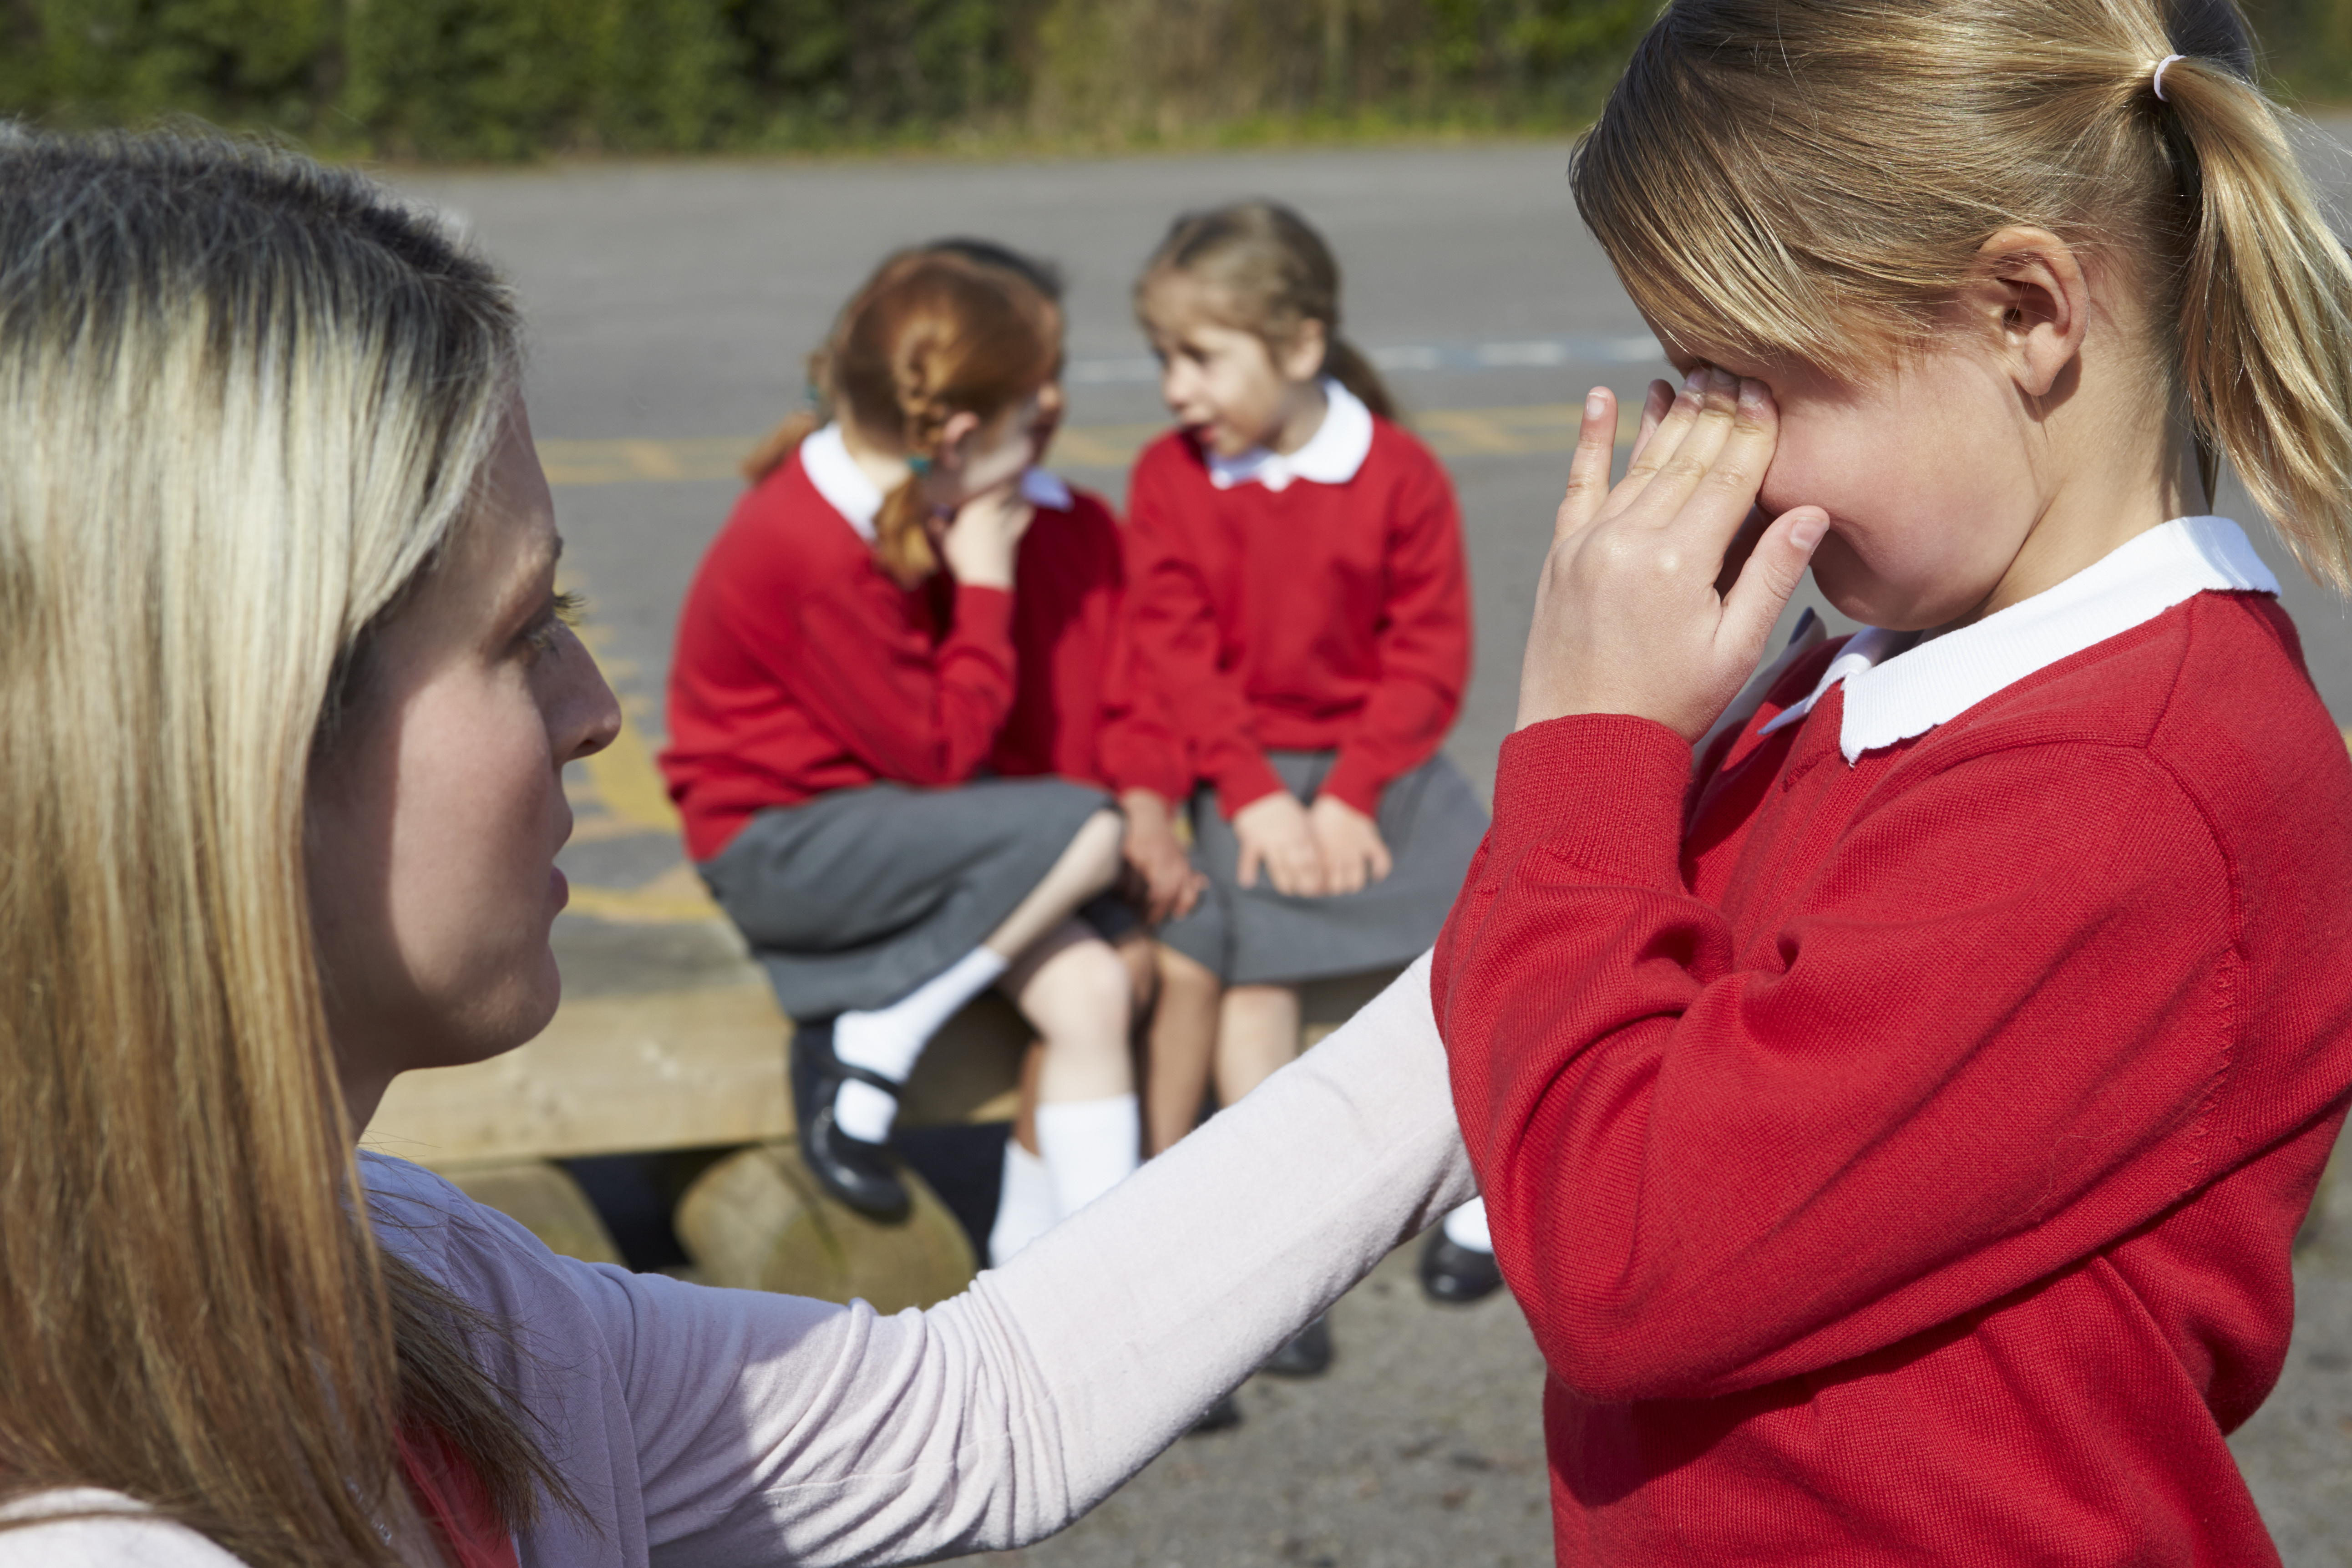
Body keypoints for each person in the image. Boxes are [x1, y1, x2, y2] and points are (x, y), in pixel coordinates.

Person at [0, 129, 1475, 1567]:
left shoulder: (429, 1282)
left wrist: (1535, 923)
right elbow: (938, 750)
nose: (593, 712)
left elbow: (989, 1404)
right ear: (220, 740)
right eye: (524, 635)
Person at [1432, 2, 2352, 1562]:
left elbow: (1622, 1261)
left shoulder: (2119, 792)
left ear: (2022, 309)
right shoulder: (1867, 672)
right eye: (1679, 376)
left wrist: (1589, 739)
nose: (1694, 444)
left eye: (1737, 376)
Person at [663, 249, 1176, 1238]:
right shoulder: (815, 543)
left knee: (1092, 989)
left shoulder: (881, 494)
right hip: (784, 849)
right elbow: (940, 753)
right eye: (1031, 422)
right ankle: (876, 1035)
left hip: (881, 831)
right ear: (963, 433)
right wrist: (985, 582)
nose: (1040, 447)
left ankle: (1081, 1292)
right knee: (1091, 829)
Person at [1121, 200, 1500, 1319]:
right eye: (1162, 358)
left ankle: (1486, 1187)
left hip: (1374, 763)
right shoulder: (1169, 477)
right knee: (1254, 972)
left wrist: (1347, 796)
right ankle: (1277, 1250)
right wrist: (1254, 802)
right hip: (1238, 765)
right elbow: (1178, 659)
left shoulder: (1399, 476)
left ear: (1297, 348)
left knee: (1496, 925)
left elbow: (1426, 660)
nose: (1174, 388)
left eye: (1199, 357)